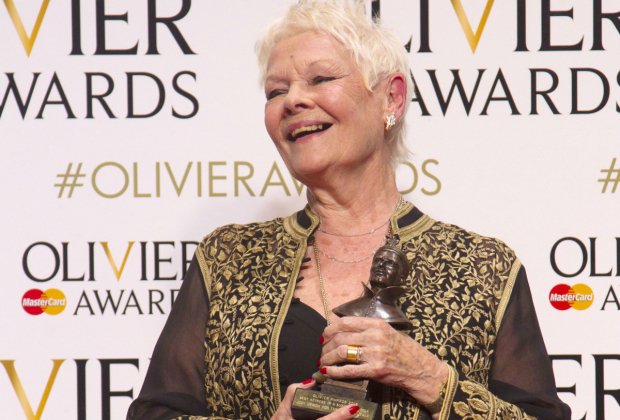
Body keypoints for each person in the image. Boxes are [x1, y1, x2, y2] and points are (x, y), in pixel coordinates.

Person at [127, 2, 571, 420]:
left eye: (320, 80)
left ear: (390, 100)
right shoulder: (229, 259)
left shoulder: (483, 268)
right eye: (276, 90)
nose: (293, 101)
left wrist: (428, 377)